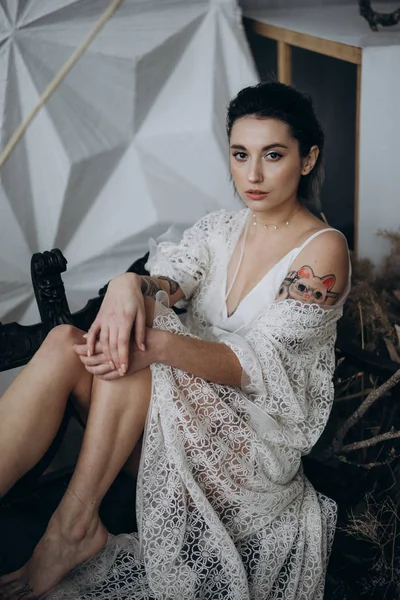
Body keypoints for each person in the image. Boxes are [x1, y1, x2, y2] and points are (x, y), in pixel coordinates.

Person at [0, 81, 350, 600]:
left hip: (247, 459)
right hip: (169, 427)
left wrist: (156, 343)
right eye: (240, 154)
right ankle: (69, 526)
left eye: (272, 155)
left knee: (146, 336)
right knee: (62, 342)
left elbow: (256, 365)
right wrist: (128, 283)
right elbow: (169, 281)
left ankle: (71, 527)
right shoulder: (219, 230)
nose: (251, 175)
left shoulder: (323, 251)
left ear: (307, 159)